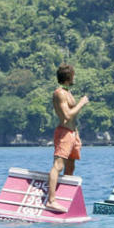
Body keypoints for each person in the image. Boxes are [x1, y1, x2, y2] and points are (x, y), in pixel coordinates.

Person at [44, 64, 89, 213]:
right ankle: (51, 200)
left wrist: (77, 135)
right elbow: (67, 115)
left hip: (72, 133)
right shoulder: (60, 94)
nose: (74, 77)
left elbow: (72, 119)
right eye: (73, 75)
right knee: (58, 165)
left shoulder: (68, 92)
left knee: (70, 166)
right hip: (63, 133)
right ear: (69, 77)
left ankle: (63, 196)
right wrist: (82, 103)